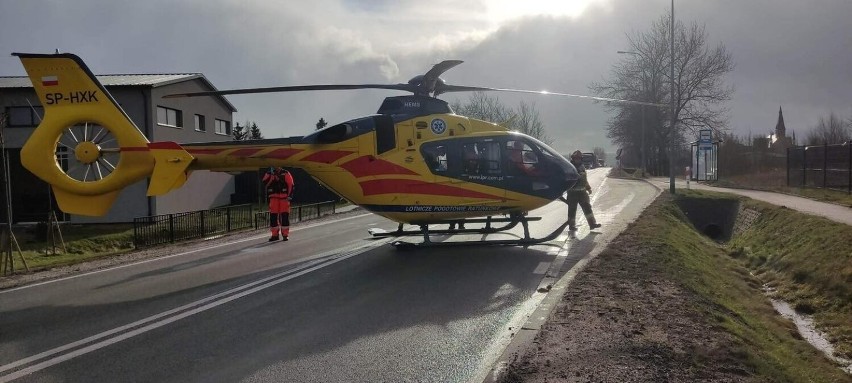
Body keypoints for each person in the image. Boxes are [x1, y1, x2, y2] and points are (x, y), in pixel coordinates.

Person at [566, 150, 601, 231]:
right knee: (572, 210)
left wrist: (588, 188)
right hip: (572, 193)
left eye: (579, 158)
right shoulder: (570, 167)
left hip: (582, 192)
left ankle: (592, 224)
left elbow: (584, 179)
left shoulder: (582, 166)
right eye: (576, 158)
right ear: (573, 158)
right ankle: (571, 226)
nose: (577, 159)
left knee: (587, 208)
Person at [262, 167, 295, 241]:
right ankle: (275, 235)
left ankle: (285, 235)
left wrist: (289, 196)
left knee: (285, 217)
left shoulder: (286, 173)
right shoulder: (269, 173)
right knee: (273, 217)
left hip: (284, 198)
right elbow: (265, 183)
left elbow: (291, 185)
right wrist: (271, 175)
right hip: (273, 198)